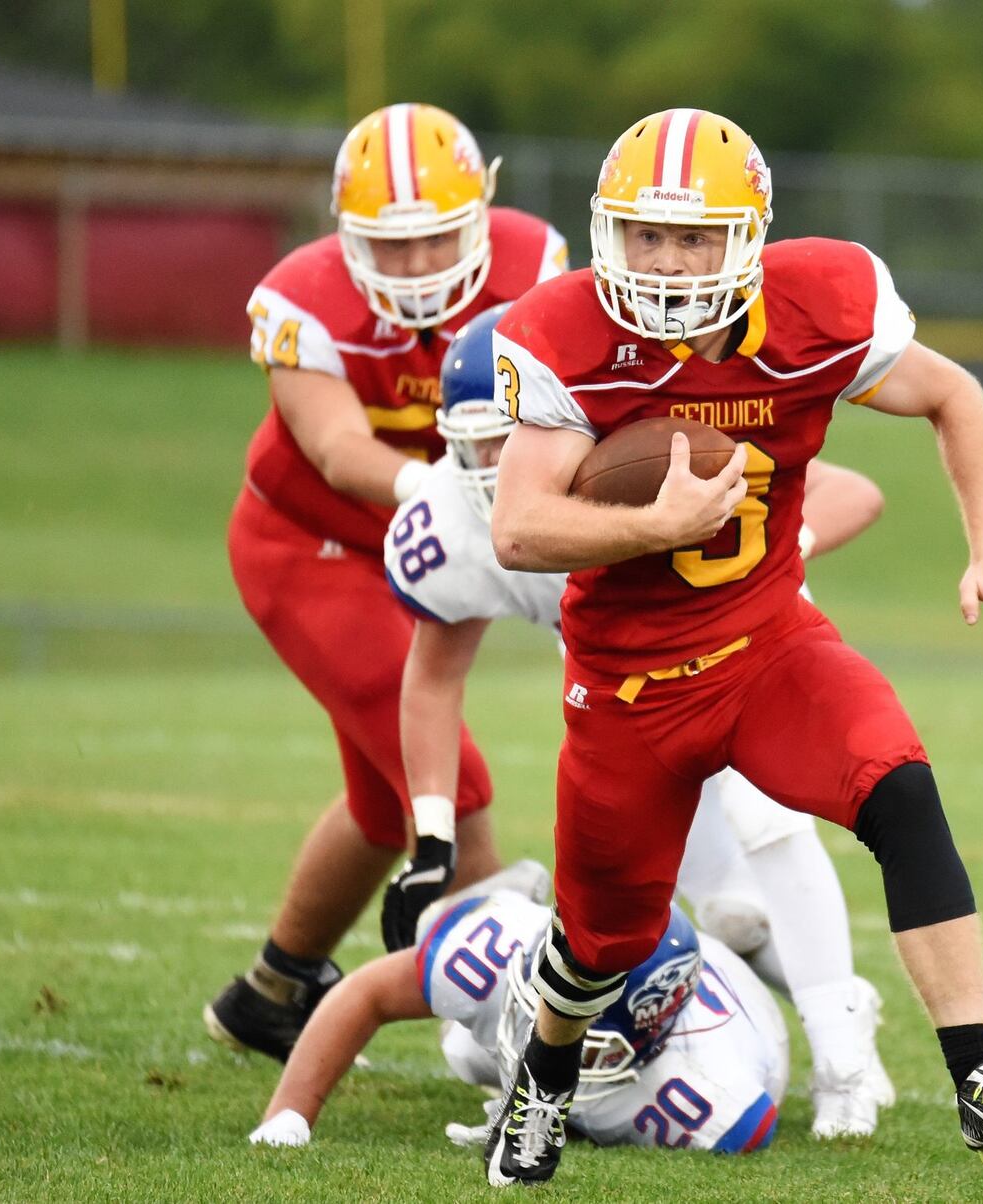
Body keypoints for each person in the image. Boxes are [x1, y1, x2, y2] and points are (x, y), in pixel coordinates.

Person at [477, 108, 983, 1184]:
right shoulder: (566, 331)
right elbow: (517, 526)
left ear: (746, 238)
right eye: (645, 234)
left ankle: (980, 1077)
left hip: (766, 645)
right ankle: (545, 1079)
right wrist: (651, 528)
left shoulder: (815, 305)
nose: (665, 261)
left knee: (898, 785)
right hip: (627, 689)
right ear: (608, 233)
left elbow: (954, 394)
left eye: (693, 236)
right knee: (602, 937)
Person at [381, 302, 892, 1137]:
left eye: (513, 439)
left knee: (771, 826)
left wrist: (747, 550)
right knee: (710, 904)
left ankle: (842, 1055)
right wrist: (432, 835)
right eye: (481, 442)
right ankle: (806, 1012)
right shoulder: (448, 526)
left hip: (743, 634)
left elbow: (857, 494)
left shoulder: (638, 433)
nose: (497, 462)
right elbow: (432, 679)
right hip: (622, 683)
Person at [204, 103, 570, 1062]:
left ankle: (271, 992)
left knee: (380, 809)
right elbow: (335, 450)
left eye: (437, 239)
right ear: (341, 230)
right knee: (460, 791)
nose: (414, 268)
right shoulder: (301, 296)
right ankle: (519, 1040)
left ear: (482, 210)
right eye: (386, 245)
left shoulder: (538, 262)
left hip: (432, 545)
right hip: (313, 549)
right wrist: (458, 493)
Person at [249, 868, 789, 1156]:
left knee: (490, 1056)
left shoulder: (707, 1089)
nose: (552, 1023)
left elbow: (754, 1126)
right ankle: (519, 886)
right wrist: (290, 1116)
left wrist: (579, 1127)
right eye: (551, 1002)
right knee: (462, 1045)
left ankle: (769, 956)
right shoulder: (501, 956)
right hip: (633, 983)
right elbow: (367, 993)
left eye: (587, 1026)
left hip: (739, 1010)